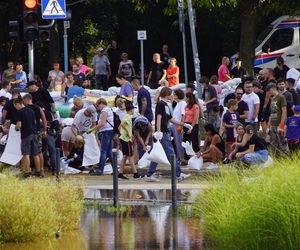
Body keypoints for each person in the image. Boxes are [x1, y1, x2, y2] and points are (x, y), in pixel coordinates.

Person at [145, 87, 191, 182]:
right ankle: (178, 174)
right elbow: (159, 117)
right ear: (167, 95)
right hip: (162, 133)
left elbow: (170, 119)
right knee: (171, 153)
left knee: (156, 153)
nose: (172, 96)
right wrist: (158, 131)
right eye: (171, 94)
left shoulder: (166, 105)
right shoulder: (160, 104)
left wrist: (183, 124)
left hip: (164, 132)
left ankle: (149, 174)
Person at [14, 98, 41, 178]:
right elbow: (36, 122)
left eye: (15, 106)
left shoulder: (19, 112)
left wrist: (16, 128)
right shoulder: (31, 110)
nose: (15, 108)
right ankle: (38, 172)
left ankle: (27, 172)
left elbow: (19, 125)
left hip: (26, 135)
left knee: (26, 154)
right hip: (34, 133)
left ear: (17, 104)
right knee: (36, 154)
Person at [23, 94, 47, 177]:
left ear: (26, 99)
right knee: (38, 152)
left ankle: (28, 171)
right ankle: (41, 170)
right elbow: (44, 119)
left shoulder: (25, 109)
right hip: (37, 132)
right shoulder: (38, 108)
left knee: (27, 153)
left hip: (28, 133)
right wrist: (44, 130)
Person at [118, 103, 142, 180]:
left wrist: (122, 133)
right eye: (133, 109)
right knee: (130, 156)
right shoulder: (128, 117)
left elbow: (119, 127)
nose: (134, 111)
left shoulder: (125, 116)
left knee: (125, 156)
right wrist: (129, 134)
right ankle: (135, 173)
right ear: (131, 110)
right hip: (126, 139)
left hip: (123, 138)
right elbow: (122, 124)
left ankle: (120, 173)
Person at [90, 98, 114, 176]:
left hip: (105, 131)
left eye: (97, 105)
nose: (98, 108)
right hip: (110, 131)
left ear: (101, 103)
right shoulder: (109, 109)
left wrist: (93, 128)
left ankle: (100, 170)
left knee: (103, 151)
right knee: (109, 152)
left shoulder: (104, 110)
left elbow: (102, 123)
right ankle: (115, 169)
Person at [266, 83, 289, 156]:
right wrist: (268, 126)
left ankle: (286, 160)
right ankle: (276, 160)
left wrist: (282, 125)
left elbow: (284, 111)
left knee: (282, 144)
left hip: (279, 124)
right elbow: (271, 114)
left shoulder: (281, 97)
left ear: (273, 88)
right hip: (273, 124)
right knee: (273, 145)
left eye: (269, 90)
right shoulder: (272, 99)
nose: (269, 93)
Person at [182, 92, 201, 160]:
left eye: (185, 97)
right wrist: (182, 126)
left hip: (193, 125)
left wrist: (191, 127)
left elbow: (196, 118)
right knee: (185, 142)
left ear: (188, 98)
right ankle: (186, 158)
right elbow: (184, 116)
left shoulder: (195, 106)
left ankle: (198, 156)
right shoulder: (186, 106)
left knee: (194, 142)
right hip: (186, 124)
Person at [170, 89, 186, 161]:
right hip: (175, 124)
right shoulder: (177, 103)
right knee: (176, 141)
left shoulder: (182, 103)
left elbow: (183, 115)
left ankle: (181, 157)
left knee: (179, 141)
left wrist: (181, 125)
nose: (173, 96)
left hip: (178, 125)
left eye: (175, 95)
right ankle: (179, 156)